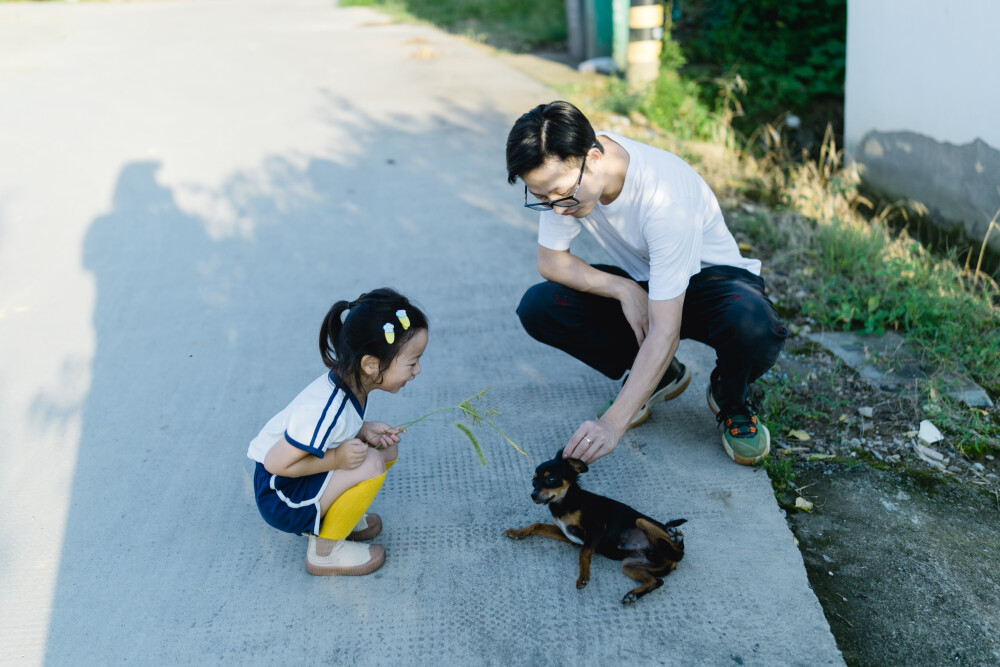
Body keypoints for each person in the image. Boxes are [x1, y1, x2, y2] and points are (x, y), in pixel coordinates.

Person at [506, 101, 787, 466]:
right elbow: (551, 260)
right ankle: (658, 376)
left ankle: (731, 396)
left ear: (593, 157)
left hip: (715, 286)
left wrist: (611, 424)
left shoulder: (664, 197)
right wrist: (624, 289)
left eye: (560, 194)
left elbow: (665, 330)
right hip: (647, 281)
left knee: (754, 325)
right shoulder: (564, 179)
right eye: (541, 198)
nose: (557, 208)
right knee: (540, 306)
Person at [247, 288, 428, 575]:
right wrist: (336, 460)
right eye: (412, 362)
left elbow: (337, 431)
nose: (418, 370)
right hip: (281, 495)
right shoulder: (325, 409)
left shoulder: (352, 382)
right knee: (371, 462)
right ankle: (325, 552)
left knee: (385, 447)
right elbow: (275, 464)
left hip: (295, 479)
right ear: (371, 364)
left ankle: (339, 519)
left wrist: (364, 429)